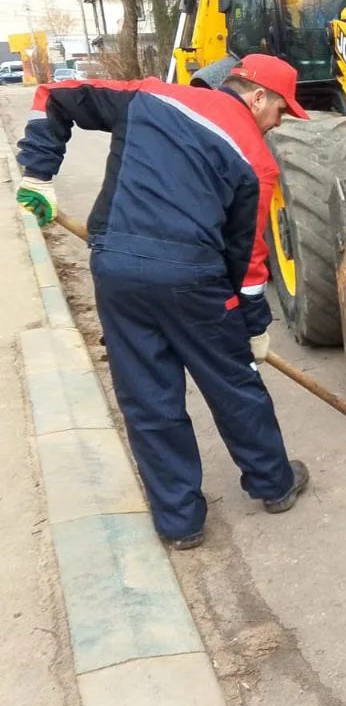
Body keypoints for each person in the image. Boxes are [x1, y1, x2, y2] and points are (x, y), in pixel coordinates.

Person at [14, 54, 313, 550]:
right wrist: (253, 325)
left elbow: (55, 95)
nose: (280, 123)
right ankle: (274, 485)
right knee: (234, 386)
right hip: (195, 283)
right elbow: (247, 259)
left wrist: (38, 172)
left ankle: (180, 522)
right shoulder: (256, 162)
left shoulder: (148, 96)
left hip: (118, 271)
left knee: (148, 396)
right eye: (281, 110)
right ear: (258, 96)